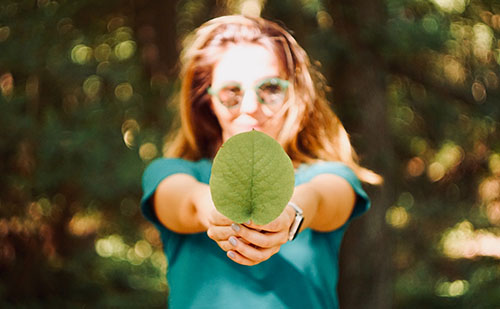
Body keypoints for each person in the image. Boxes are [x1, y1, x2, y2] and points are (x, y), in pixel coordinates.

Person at [141, 15, 381, 308]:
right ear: (208, 100)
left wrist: (290, 215)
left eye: (270, 88)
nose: (251, 107)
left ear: (295, 94)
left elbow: (320, 199)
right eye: (232, 92)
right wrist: (214, 211)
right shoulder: (171, 172)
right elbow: (186, 202)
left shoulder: (331, 176)